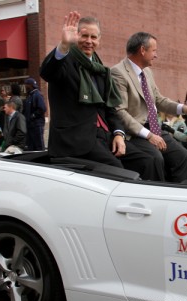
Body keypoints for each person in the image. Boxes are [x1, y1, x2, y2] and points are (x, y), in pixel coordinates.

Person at [40, 12, 156, 180]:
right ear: (76, 36)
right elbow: (47, 72)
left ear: (99, 40)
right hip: (75, 141)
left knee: (148, 161)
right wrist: (64, 45)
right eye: (84, 35)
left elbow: (110, 109)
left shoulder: (101, 70)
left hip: (104, 136)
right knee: (118, 172)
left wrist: (118, 134)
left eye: (93, 37)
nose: (89, 41)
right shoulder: (65, 62)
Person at [110, 31, 187, 182]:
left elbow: (159, 100)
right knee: (155, 159)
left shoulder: (147, 72)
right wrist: (149, 136)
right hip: (135, 133)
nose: (156, 55)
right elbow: (120, 112)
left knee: (184, 157)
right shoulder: (118, 73)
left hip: (155, 128)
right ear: (142, 50)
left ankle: (178, 195)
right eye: (154, 50)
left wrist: (185, 109)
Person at [23, 77, 47, 151]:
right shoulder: (29, 96)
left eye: (26, 85)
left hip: (37, 125)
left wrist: (32, 116)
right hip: (30, 126)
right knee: (31, 146)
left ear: (30, 85)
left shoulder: (37, 95)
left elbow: (42, 108)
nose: (25, 87)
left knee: (39, 145)